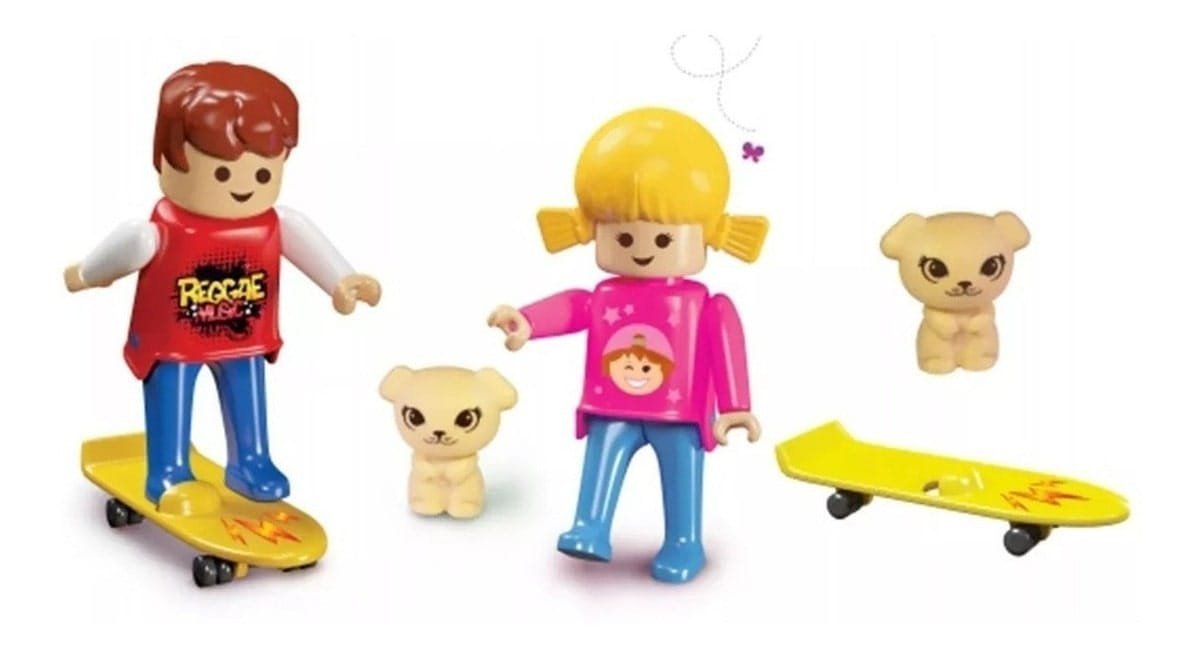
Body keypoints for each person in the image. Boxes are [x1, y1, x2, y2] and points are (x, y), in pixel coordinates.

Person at [64, 62, 380, 515]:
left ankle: (250, 461)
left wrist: (342, 280)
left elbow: (307, 244)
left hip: (243, 335)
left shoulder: (274, 223)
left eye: (263, 174)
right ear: (167, 161)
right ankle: (167, 472)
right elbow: (125, 249)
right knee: (172, 397)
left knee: (248, 397)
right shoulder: (160, 230)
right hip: (174, 341)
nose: (244, 189)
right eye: (222, 174)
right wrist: (85, 274)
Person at [488, 107, 768, 583]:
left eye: (662, 238)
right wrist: (528, 321)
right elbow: (572, 307)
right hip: (610, 406)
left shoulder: (702, 303)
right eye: (622, 234)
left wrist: (736, 406)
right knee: (600, 462)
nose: (641, 248)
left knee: (681, 476)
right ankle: (590, 526)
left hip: (678, 412)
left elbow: (728, 347)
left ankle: (684, 541)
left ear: (704, 234)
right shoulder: (605, 295)